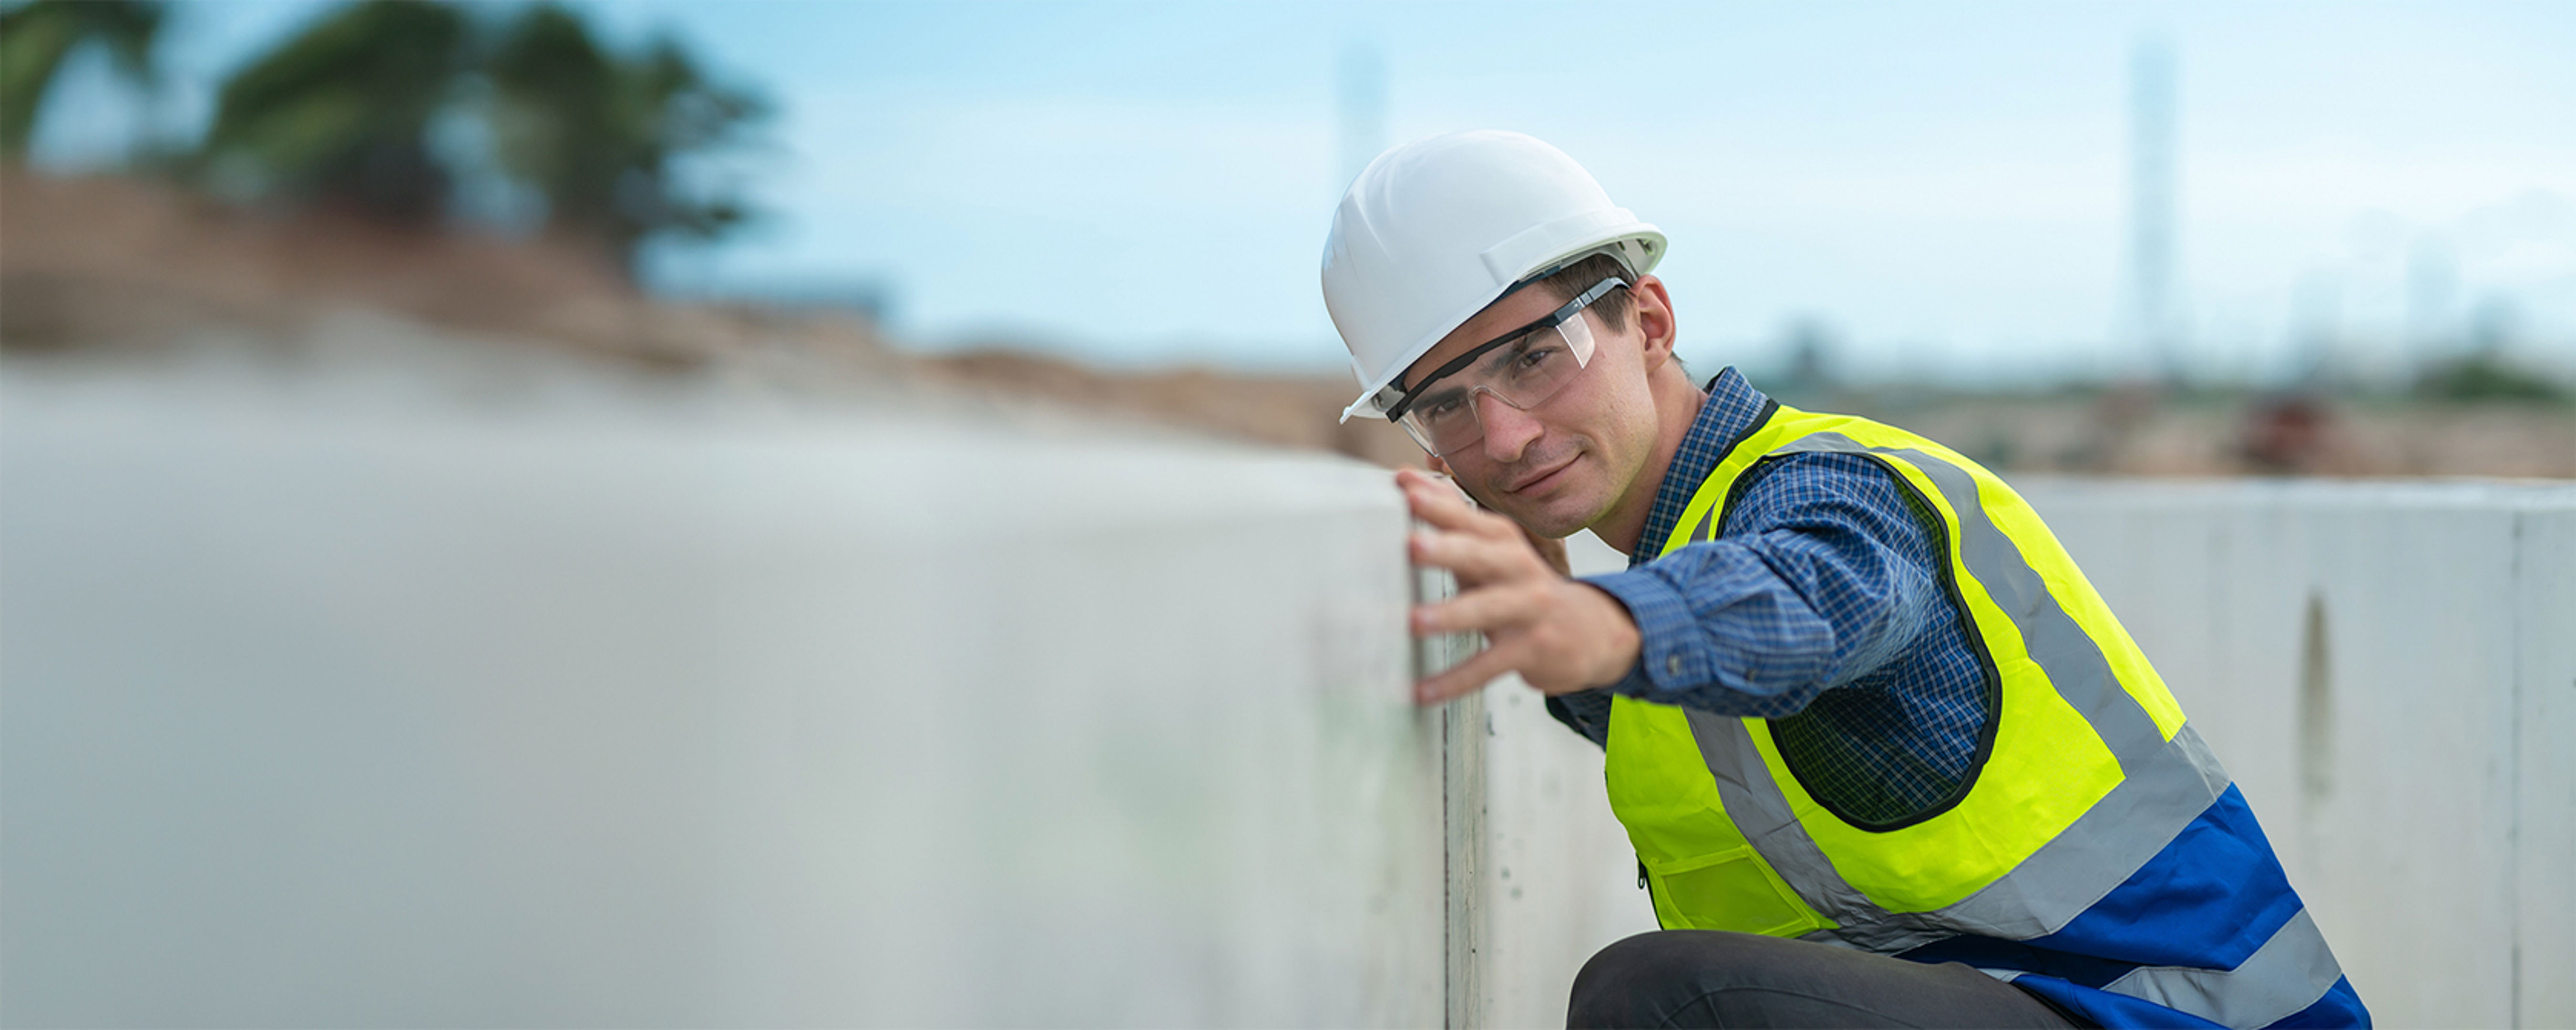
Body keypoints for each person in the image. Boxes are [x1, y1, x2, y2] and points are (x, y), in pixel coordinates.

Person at [1319, 130, 2368, 1030]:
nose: (1500, 435)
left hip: (2155, 1011)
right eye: (1445, 405)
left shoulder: (1832, 489)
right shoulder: (1683, 545)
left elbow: (1809, 602)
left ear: (1645, 323)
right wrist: (1557, 612)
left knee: (1660, 999)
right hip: (2029, 998)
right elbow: (1714, 732)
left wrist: (1589, 618)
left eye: (1532, 357)